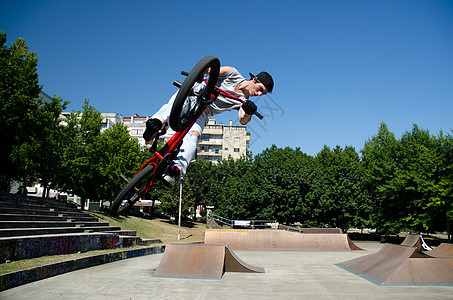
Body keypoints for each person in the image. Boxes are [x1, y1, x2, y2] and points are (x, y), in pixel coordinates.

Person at [143, 65, 274, 187]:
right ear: (254, 79)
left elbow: (243, 119)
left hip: (204, 112)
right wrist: (199, 73)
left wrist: (249, 111)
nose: (259, 94)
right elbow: (209, 69)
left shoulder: (243, 101)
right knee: (176, 103)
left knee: (194, 136)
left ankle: (176, 169)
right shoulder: (232, 73)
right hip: (194, 94)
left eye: (263, 94)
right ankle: (156, 124)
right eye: (260, 89)